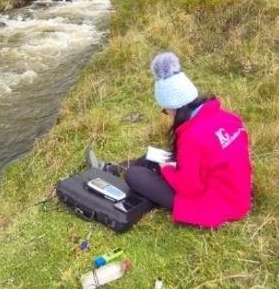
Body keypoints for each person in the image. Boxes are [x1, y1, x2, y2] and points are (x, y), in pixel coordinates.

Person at [88, 51, 252, 228]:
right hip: (236, 194)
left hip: (215, 203)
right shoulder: (228, 118)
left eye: (165, 110)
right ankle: (111, 168)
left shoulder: (193, 137)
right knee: (151, 158)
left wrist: (166, 170)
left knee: (134, 175)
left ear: (175, 107)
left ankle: (120, 174)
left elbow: (190, 188)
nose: (167, 114)